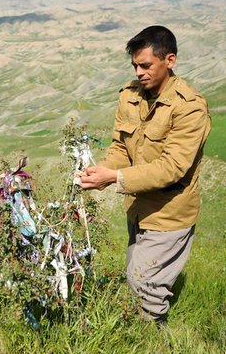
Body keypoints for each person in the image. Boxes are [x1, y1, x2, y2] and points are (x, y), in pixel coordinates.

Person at [80, 25, 211, 325]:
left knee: (145, 286)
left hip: (169, 214)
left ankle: (155, 339)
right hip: (138, 209)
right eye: (135, 66)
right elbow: (120, 147)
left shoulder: (190, 108)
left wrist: (115, 179)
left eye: (146, 65)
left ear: (170, 60)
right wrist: (100, 170)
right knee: (135, 282)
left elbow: (172, 167)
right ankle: (141, 335)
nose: (139, 72)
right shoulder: (130, 96)